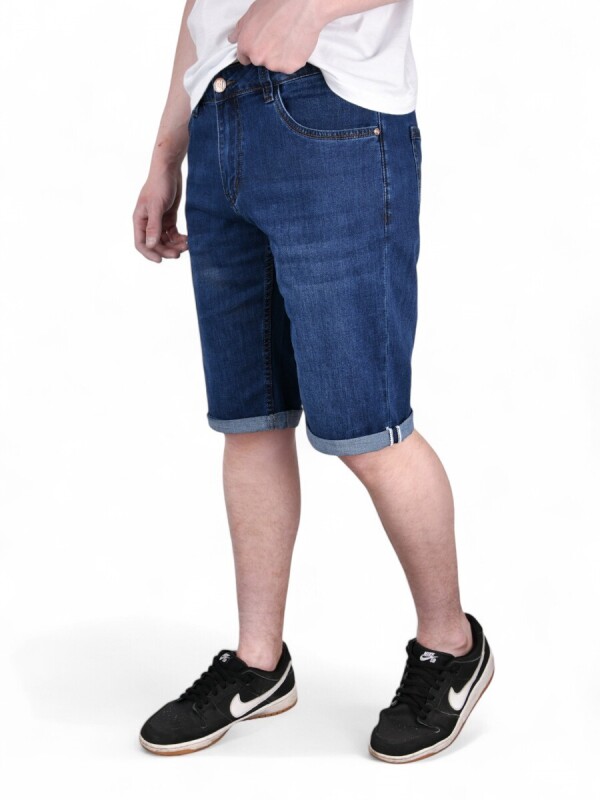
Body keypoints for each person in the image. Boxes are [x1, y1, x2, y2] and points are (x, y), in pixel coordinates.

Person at [132, 0, 494, 763]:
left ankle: (451, 644)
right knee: (249, 421)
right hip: (218, 123)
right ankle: (258, 662)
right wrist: (166, 154)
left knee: (369, 430)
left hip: (335, 117)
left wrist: (307, 8)